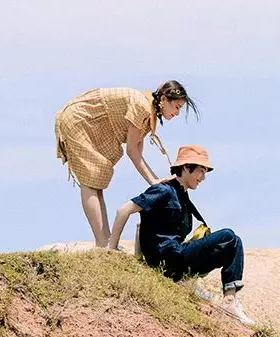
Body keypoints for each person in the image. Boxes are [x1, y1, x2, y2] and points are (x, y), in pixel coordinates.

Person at [108, 145, 255, 325]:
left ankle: (230, 301)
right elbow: (123, 210)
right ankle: (226, 301)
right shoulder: (163, 190)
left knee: (234, 243)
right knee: (228, 236)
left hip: (178, 258)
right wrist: (111, 248)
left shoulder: (182, 195)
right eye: (201, 171)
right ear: (186, 168)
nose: (203, 177)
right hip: (166, 260)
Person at [55, 81, 198, 247]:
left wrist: (154, 180)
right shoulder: (142, 107)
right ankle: (102, 242)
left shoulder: (148, 114)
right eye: (177, 107)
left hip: (87, 121)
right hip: (78, 119)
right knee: (91, 177)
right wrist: (153, 181)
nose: (177, 113)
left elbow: (137, 151)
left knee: (98, 175)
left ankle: (105, 239)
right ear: (164, 99)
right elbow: (132, 151)